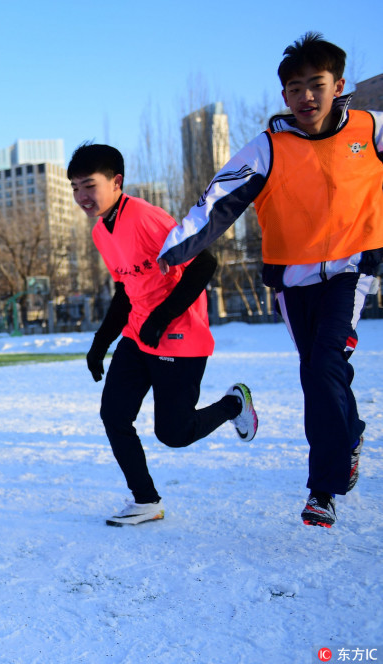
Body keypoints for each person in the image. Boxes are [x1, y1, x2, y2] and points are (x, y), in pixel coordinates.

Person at [158, 33, 382, 529]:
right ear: (284, 96)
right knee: (323, 370)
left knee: (321, 366)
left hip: (350, 271)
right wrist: (174, 250)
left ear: (338, 85)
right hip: (291, 281)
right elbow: (217, 200)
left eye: (316, 85)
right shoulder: (267, 148)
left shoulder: (371, 130)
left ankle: (323, 490)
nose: (306, 96)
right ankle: (351, 431)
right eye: (295, 88)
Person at [67, 143, 257, 527]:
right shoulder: (102, 231)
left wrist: (162, 317)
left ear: (116, 181)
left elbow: (204, 262)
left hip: (180, 336)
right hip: (138, 336)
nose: (82, 196)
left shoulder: (145, 217)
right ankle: (146, 501)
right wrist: (100, 342)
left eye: (89, 185)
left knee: (174, 433)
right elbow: (126, 289)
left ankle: (234, 405)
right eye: (74, 188)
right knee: (114, 416)